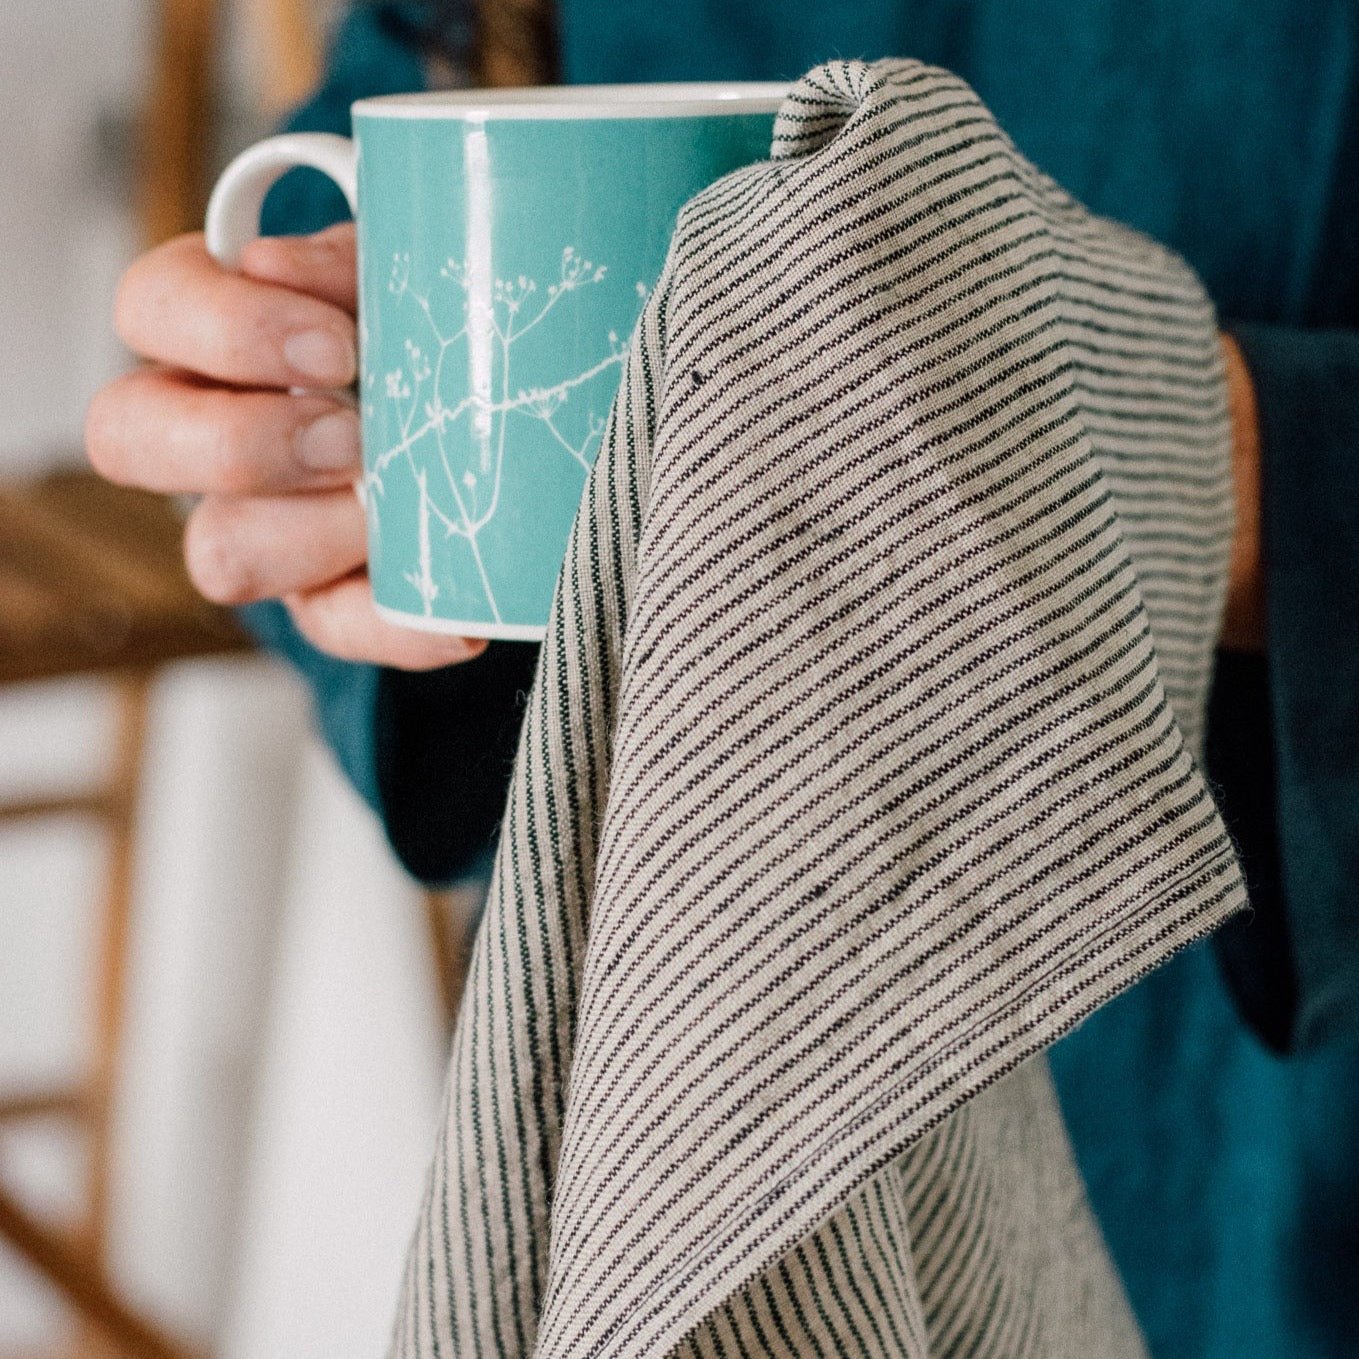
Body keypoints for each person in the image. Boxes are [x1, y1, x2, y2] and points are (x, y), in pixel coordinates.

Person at [85, 2, 1359, 1355]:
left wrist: (1203, 452)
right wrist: (294, 405)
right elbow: (421, 77)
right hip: (695, 866)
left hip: (1249, 1102)